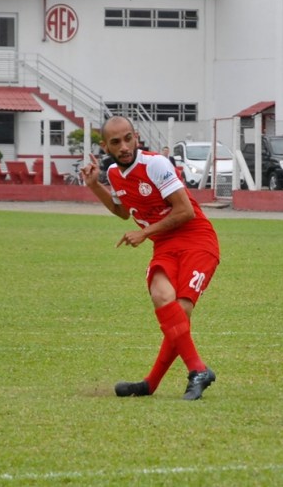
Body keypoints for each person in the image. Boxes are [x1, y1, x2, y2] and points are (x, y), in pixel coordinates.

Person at [80, 116, 219, 400]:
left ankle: (158, 381)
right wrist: (95, 186)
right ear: (105, 146)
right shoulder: (115, 174)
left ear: (136, 136)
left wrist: (145, 233)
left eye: (128, 138)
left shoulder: (155, 164)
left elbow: (185, 212)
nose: (124, 146)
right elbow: (122, 211)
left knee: (180, 310)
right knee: (161, 296)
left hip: (196, 238)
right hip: (165, 244)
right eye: (116, 142)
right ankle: (194, 371)